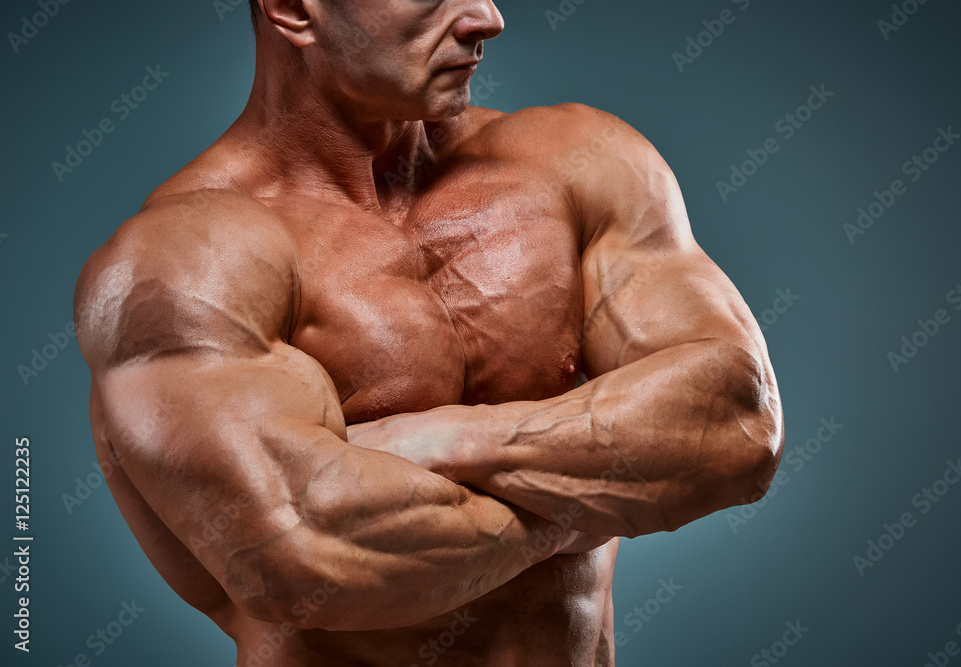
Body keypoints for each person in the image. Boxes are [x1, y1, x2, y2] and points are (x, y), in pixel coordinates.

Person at [74, 1, 784, 664]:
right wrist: (600, 500)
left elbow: (735, 420)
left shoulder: (579, 164)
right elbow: (303, 549)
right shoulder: (183, 257)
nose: (487, 17)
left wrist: (448, 440)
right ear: (293, 9)